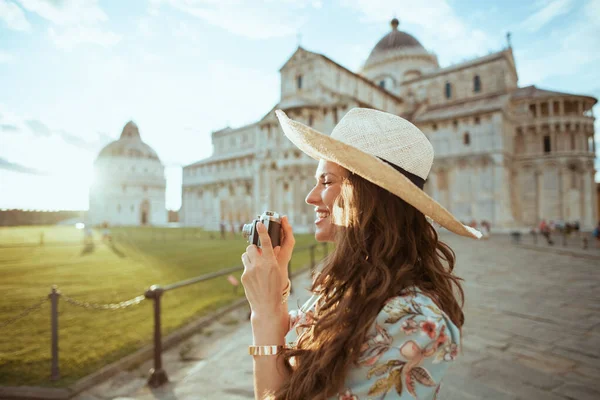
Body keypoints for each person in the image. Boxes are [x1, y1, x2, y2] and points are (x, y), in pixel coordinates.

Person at [240, 108, 481, 400]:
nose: (311, 197)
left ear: (368, 192)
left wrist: (264, 315)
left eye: (326, 181)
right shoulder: (352, 283)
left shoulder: (412, 323)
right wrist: (275, 293)